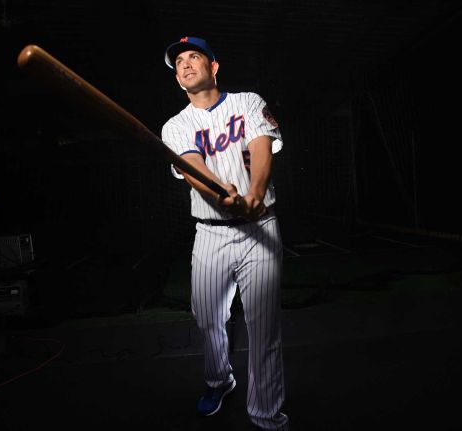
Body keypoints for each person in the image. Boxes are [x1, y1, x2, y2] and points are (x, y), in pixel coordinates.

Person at [160, 36, 289, 430]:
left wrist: (253, 194)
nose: (184, 64)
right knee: (206, 316)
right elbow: (194, 168)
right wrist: (224, 194)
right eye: (178, 61)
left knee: (263, 326)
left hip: (259, 228)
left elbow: (261, 148)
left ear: (214, 66)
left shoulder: (247, 101)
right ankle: (220, 379)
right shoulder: (175, 126)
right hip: (211, 233)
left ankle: (266, 415)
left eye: (193, 56)